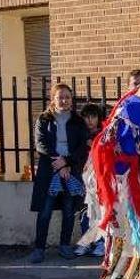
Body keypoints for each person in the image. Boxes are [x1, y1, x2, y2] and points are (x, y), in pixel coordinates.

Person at [28, 83, 90, 263]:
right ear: (53, 99)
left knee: (69, 210)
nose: (64, 100)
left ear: (71, 99)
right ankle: (39, 248)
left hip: (71, 170)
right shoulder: (43, 119)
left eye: (67, 97)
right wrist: (59, 163)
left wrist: (68, 162)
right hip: (50, 170)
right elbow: (40, 145)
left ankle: (65, 245)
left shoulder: (78, 121)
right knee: (45, 211)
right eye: (60, 97)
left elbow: (82, 147)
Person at [73, 103, 106, 257]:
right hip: (82, 177)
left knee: (99, 212)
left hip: (99, 178)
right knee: (85, 212)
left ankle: (100, 243)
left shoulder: (104, 133)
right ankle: (86, 242)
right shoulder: (79, 134)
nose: (90, 120)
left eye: (93, 116)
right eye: (86, 117)